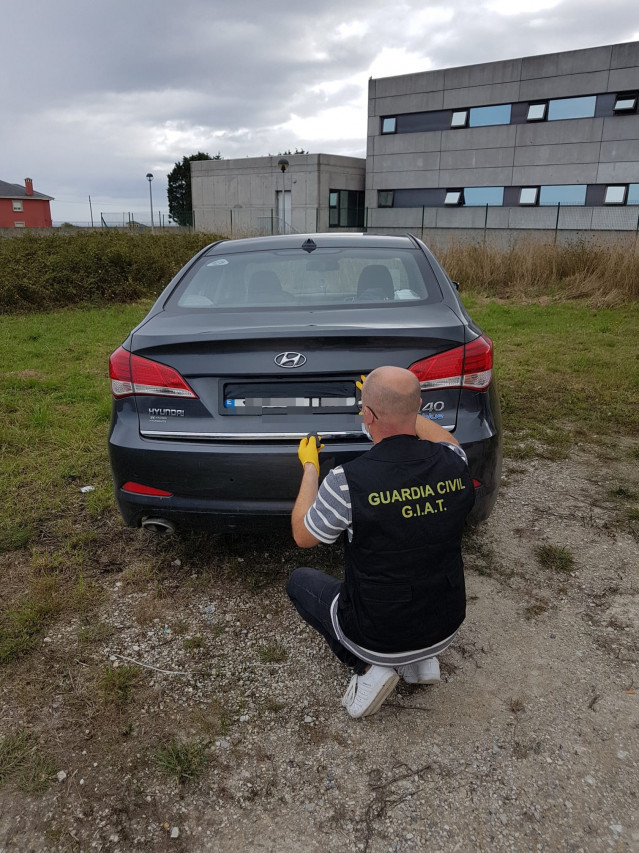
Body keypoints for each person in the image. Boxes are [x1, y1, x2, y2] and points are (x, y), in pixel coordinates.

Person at [286, 366, 475, 719]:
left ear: (368, 415)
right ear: (419, 407)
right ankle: (420, 662)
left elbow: (302, 535)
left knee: (300, 583)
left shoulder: (346, 481)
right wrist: (401, 407)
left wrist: (310, 468)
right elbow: (448, 441)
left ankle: (369, 668)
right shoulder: (455, 462)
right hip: (445, 623)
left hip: (378, 637)